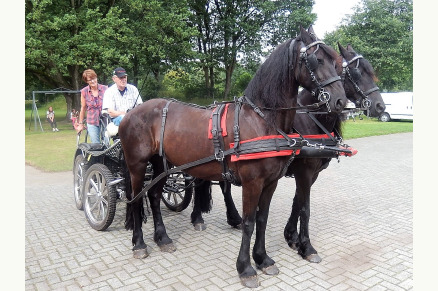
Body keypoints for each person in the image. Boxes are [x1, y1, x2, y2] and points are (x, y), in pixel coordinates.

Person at [76, 69, 108, 143]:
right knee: (96, 144)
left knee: (106, 144)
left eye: (94, 78)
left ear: (96, 78)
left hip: (105, 120)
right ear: (87, 81)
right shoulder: (84, 91)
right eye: (90, 80)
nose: (93, 81)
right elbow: (83, 108)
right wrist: (80, 124)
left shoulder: (105, 89)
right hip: (92, 121)